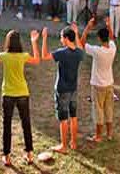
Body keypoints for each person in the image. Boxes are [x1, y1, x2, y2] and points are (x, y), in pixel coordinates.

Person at [0, 29, 40, 166]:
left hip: (8, 94)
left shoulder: (4, 56)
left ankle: (7, 156)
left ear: (8, 42)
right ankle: (29, 154)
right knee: (26, 124)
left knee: (7, 125)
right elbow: (37, 60)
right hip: (23, 93)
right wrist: (34, 42)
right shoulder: (23, 56)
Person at [41, 25, 84, 153]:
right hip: (73, 89)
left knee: (63, 118)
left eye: (61, 37)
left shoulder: (62, 53)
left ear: (66, 38)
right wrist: (76, 33)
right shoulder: (79, 53)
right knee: (74, 116)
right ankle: (74, 143)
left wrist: (44, 38)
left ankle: (64, 146)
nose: (60, 39)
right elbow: (80, 47)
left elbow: (44, 56)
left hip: (62, 90)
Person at [79, 17, 116, 142]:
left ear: (99, 38)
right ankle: (110, 134)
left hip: (97, 85)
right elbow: (112, 38)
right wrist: (109, 25)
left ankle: (98, 136)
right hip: (109, 83)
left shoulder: (97, 51)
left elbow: (82, 42)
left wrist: (88, 27)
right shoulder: (112, 48)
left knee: (98, 110)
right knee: (109, 108)